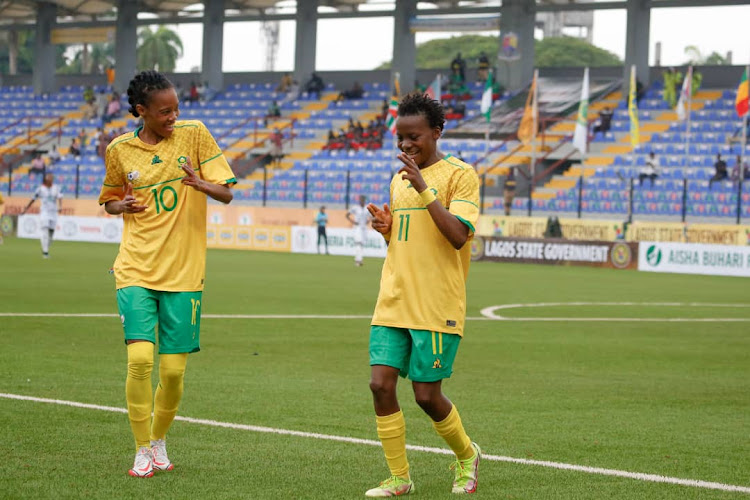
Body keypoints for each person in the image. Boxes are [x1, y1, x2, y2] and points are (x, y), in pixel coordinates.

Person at [98, 70, 236, 479]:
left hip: (184, 273)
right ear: (141, 111)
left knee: (173, 372)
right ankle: (141, 449)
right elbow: (107, 200)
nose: (173, 116)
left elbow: (227, 192)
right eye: (164, 111)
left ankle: (158, 439)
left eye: (176, 108)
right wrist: (118, 207)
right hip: (135, 267)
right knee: (140, 359)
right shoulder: (119, 149)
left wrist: (201, 184)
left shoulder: (195, 134)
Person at [364, 92, 481, 497]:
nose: (405, 145)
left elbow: (457, 236)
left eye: (413, 136)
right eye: (400, 138)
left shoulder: (460, 175)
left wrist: (425, 188)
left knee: (427, 397)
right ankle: (399, 477)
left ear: (436, 132)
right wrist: (388, 230)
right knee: (380, 385)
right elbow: (406, 242)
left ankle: (467, 455)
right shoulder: (398, 180)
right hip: (393, 298)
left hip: (436, 304)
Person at [21, 173, 63, 258]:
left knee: (51, 232)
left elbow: (60, 197)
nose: (51, 179)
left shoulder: (56, 188)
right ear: (46, 180)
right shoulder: (40, 189)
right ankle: (45, 252)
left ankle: (46, 248)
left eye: (52, 178)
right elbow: (33, 199)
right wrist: (26, 208)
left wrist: (60, 206)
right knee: (45, 230)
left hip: (53, 212)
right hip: (44, 212)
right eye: (50, 178)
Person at [346, 195, 371, 267]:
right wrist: (353, 221)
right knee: (358, 243)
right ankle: (358, 260)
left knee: (362, 244)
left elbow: (372, 216)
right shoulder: (355, 208)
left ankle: (359, 259)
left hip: (364, 228)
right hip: (357, 227)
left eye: (363, 200)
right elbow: (347, 215)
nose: (361, 201)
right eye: (361, 200)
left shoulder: (367, 208)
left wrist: (368, 220)